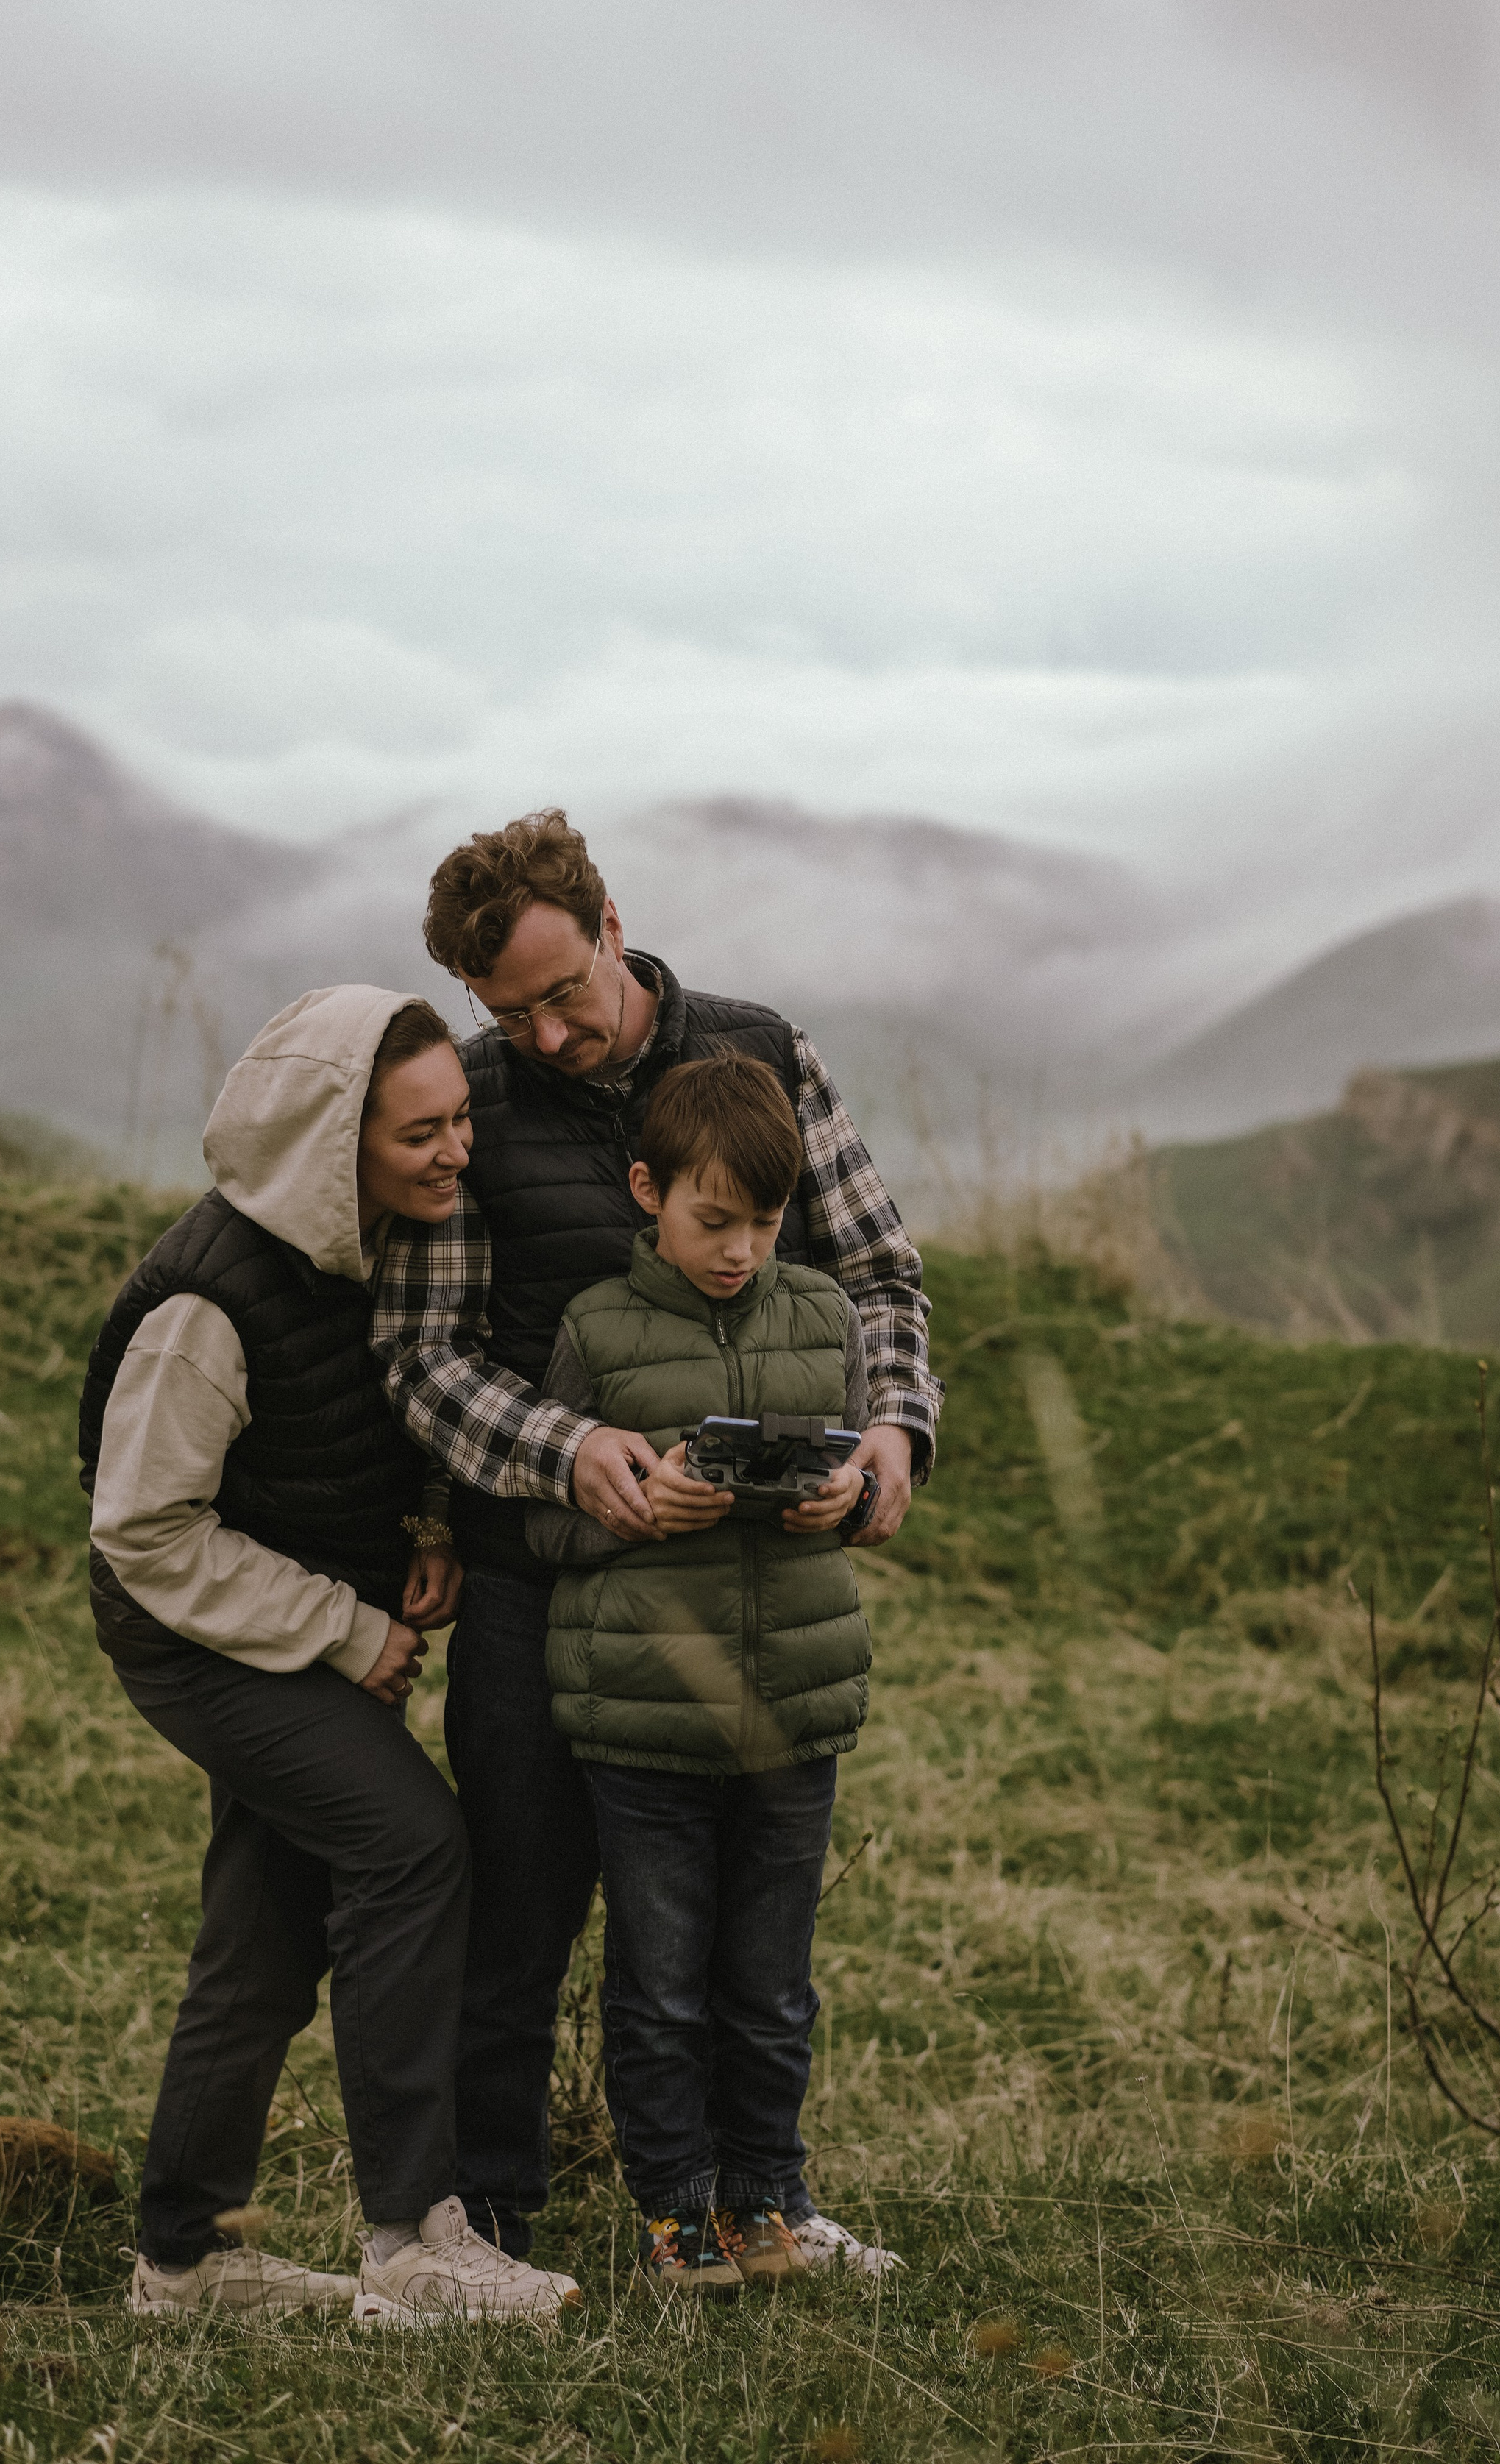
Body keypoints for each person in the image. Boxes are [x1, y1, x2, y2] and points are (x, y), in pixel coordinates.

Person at [372, 809, 942, 2270]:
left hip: (744, 1584)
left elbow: (873, 1270)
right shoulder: (476, 1105)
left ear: (611, 921)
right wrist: (574, 1454)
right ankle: (484, 2222)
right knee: (518, 1910)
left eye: (563, 994)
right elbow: (426, 1359)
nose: (547, 1036)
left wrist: (885, 1436)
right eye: (512, 1012)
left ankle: (754, 2203)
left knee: (744, 1938)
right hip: (532, 1578)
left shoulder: (757, 1052)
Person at [81, 984, 577, 2323]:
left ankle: (185, 2258)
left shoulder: (366, 1249)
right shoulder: (207, 1306)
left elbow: (335, 1443)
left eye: (461, 1120)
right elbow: (145, 1532)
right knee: (411, 1842)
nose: (456, 1152)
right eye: (421, 1133)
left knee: (264, 1930)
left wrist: (420, 1523)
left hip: (276, 1618)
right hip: (192, 1634)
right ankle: (412, 2242)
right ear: (328, 1142)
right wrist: (348, 1628)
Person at [525, 1055, 874, 2296]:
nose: (739, 1250)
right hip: (646, 1730)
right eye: (712, 1219)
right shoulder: (593, 1330)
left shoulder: (828, 1318)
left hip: (794, 1715)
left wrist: (847, 1494)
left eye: (764, 1223)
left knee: (773, 1985)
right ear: (647, 1192)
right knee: (662, 1987)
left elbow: (861, 1483)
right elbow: (542, 1526)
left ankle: (770, 2198)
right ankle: (676, 2213)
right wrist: (631, 1505)